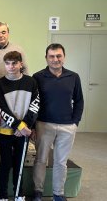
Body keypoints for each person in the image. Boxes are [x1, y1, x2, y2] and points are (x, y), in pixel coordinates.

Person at [32, 44, 84, 201]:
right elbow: (34, 103)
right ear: (46, 58)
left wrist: (75, 122)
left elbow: (79, 100)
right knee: (41, 160)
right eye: (52, 56)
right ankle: (38, 191)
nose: (55, 59)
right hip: (44, 125)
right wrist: (34, 125)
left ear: (64, 57)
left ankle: (58, 193)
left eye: (59, 56)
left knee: (61, 162)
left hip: (67, 126)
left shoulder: (73, 77)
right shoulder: (38, 77)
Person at [0, 51, 40, 201]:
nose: (11, 66)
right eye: (8, 63)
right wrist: (19, 125)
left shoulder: (31, 82)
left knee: (19, 164)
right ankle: (2, 196)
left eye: (14, 63)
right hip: (5, 131)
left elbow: (35, 105)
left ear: (21, 64)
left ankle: (19, 194)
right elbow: (2, 108)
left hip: (24, 131)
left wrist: (25, 125)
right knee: (5, 165)